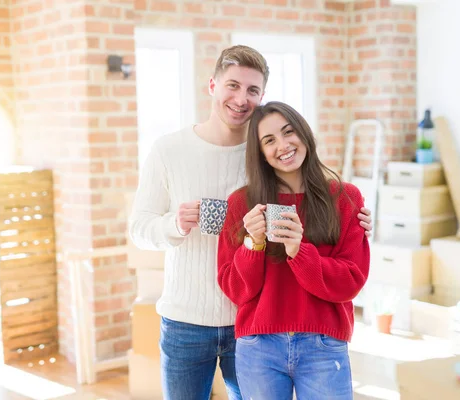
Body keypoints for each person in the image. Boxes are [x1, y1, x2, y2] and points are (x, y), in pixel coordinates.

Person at [129, 46, 372, 400]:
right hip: (188, 319)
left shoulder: (269, 154)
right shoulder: (169, 149)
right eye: (232, 85)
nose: (241, 98)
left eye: (252, 90)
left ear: (262, 97)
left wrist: (358, 219)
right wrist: (174, 226)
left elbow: (318, 198)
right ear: (212, 85)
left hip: (253, 321)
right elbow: (139, 228)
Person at [217, 101, 371, 400]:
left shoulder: (345, 197)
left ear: (304, 133)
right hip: (258, 346)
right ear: (260, 153)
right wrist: (253, 243)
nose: (283, 145)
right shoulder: (241, 203)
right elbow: (236, 290)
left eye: (289, 132)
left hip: (323, 345)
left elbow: (351, 281)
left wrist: (299, 251)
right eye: (269, 140)